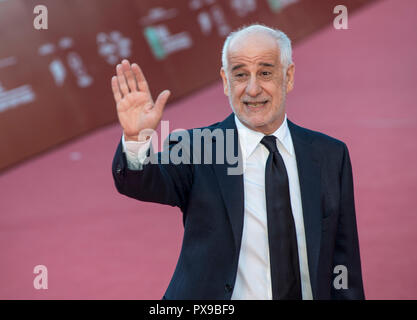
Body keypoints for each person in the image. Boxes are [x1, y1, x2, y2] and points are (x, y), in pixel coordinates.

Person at [111, 24, 364, 300]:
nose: (252, 89)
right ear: (225, 81)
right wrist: (136, 137)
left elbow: (344, 261)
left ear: (288, 77)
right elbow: (142, 181)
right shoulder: (198, 149)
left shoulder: (330, 155)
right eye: (240, 75)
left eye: (265, 73)